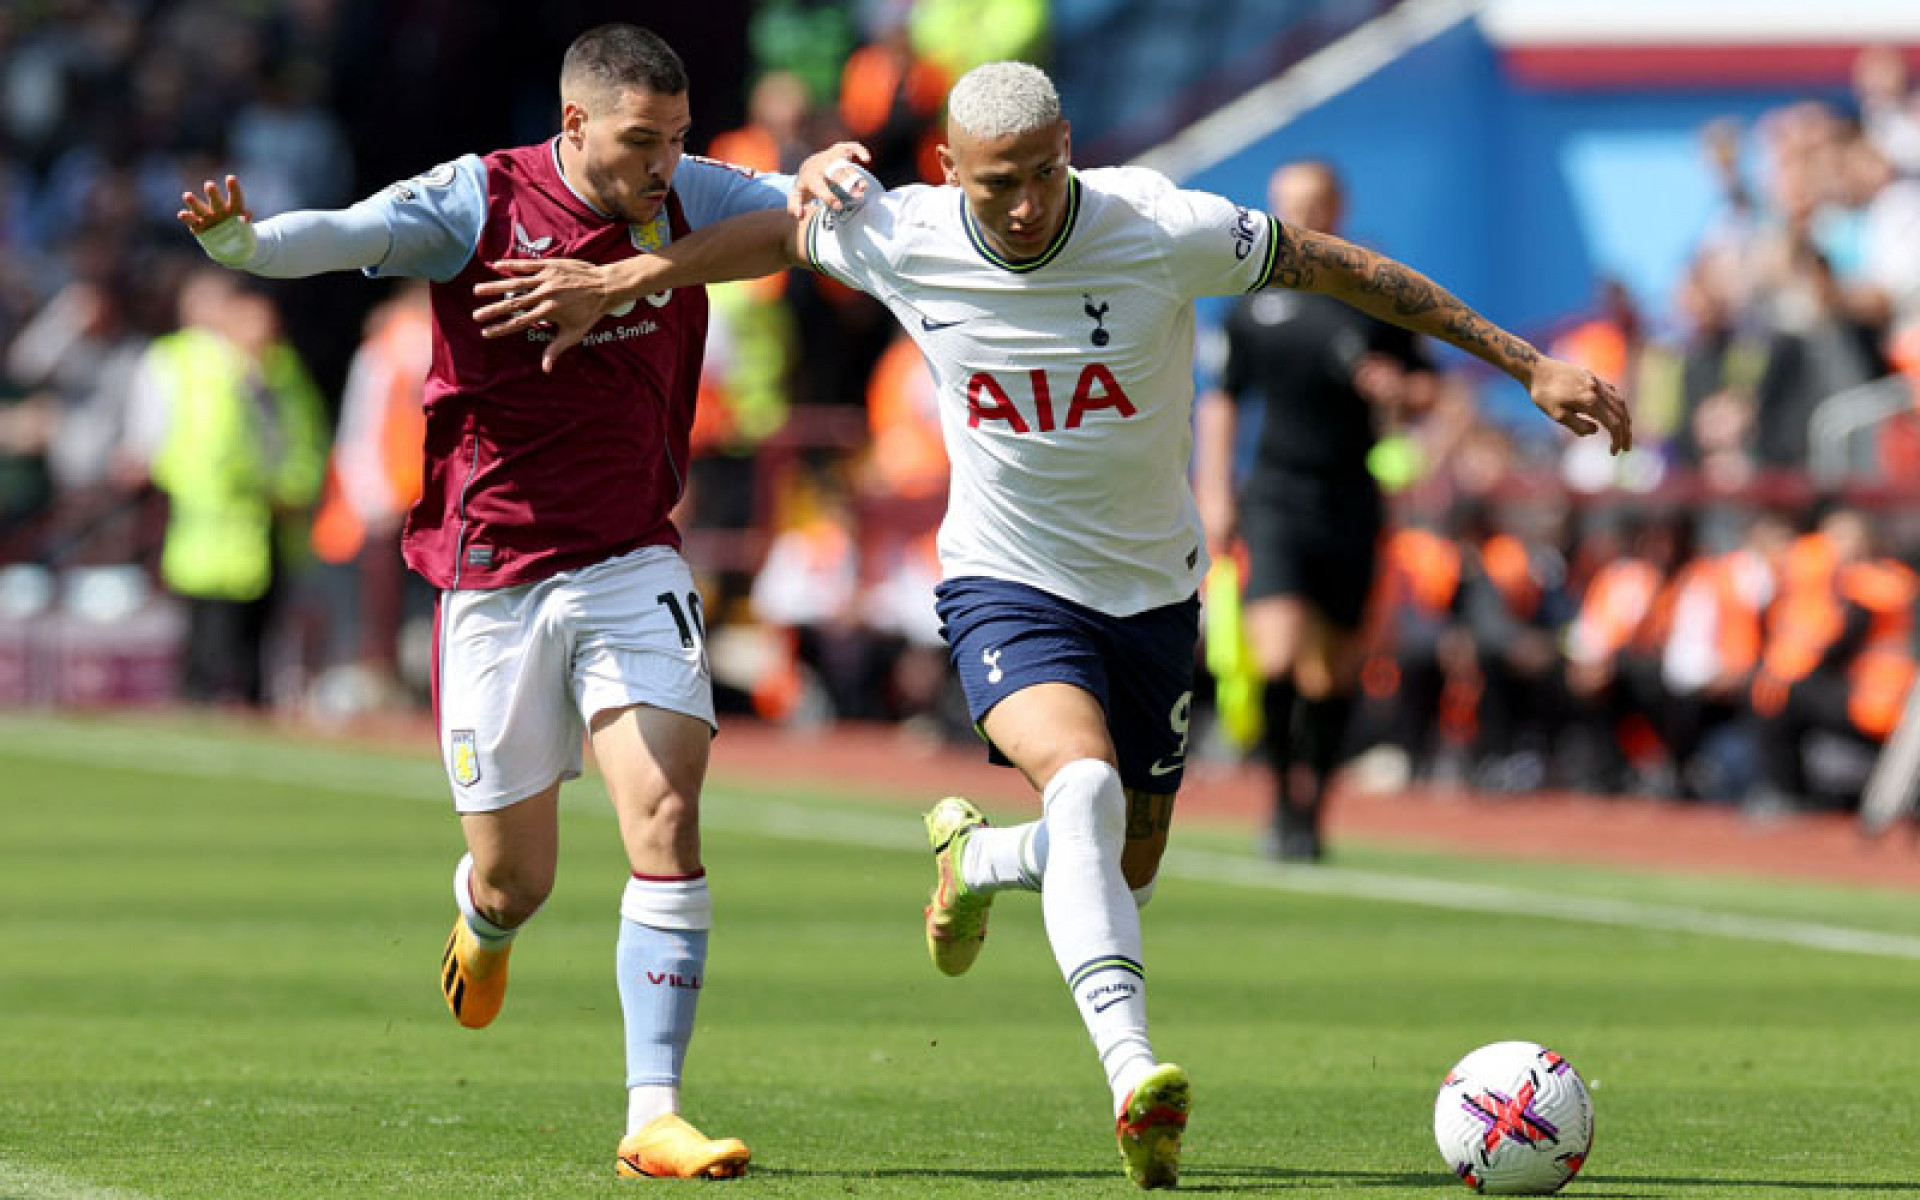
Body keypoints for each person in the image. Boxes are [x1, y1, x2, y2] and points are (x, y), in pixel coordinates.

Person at [469, 60, 1630, 1188]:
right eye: (995, 182)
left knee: (1127, 861)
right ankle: (1134, 1077)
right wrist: (629, 280)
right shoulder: (902, 230)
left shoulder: (1162, 225)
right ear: (947, 168)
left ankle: (978, 856)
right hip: (1006, 587)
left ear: (1069, 150)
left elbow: (1333, 267)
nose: (1022, 205)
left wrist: (1526, 364)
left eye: (1040, 173)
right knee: (1082, 788)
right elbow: (775, 236)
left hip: (1154, 597)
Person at [176, 23, 862, 1179]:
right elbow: (346, 235)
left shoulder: (684, 192)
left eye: (679, 140)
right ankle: (484, 924)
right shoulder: (477, 200)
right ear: (575, 124)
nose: (664, 165)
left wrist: (822, 176)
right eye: (642, 141)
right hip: (492, 575)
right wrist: (247, 245)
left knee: (668, 818)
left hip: (633, 558)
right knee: (518, 877)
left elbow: (800, 223)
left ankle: (653, 1112)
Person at [1192, 159, 1437, 860]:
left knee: (1330, 671)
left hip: (1351, 495)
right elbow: (1223, 400)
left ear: (1339, 206)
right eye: (1290, 205)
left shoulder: (1375, 293)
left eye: (1315, 203)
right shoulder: (1253, 297)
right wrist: (1215, 490)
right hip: (1275, 492)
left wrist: (1398, 390)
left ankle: (1313, 810)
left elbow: (1429, 391)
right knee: (1275, 653)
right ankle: (1278, 800)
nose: (1304, 217)